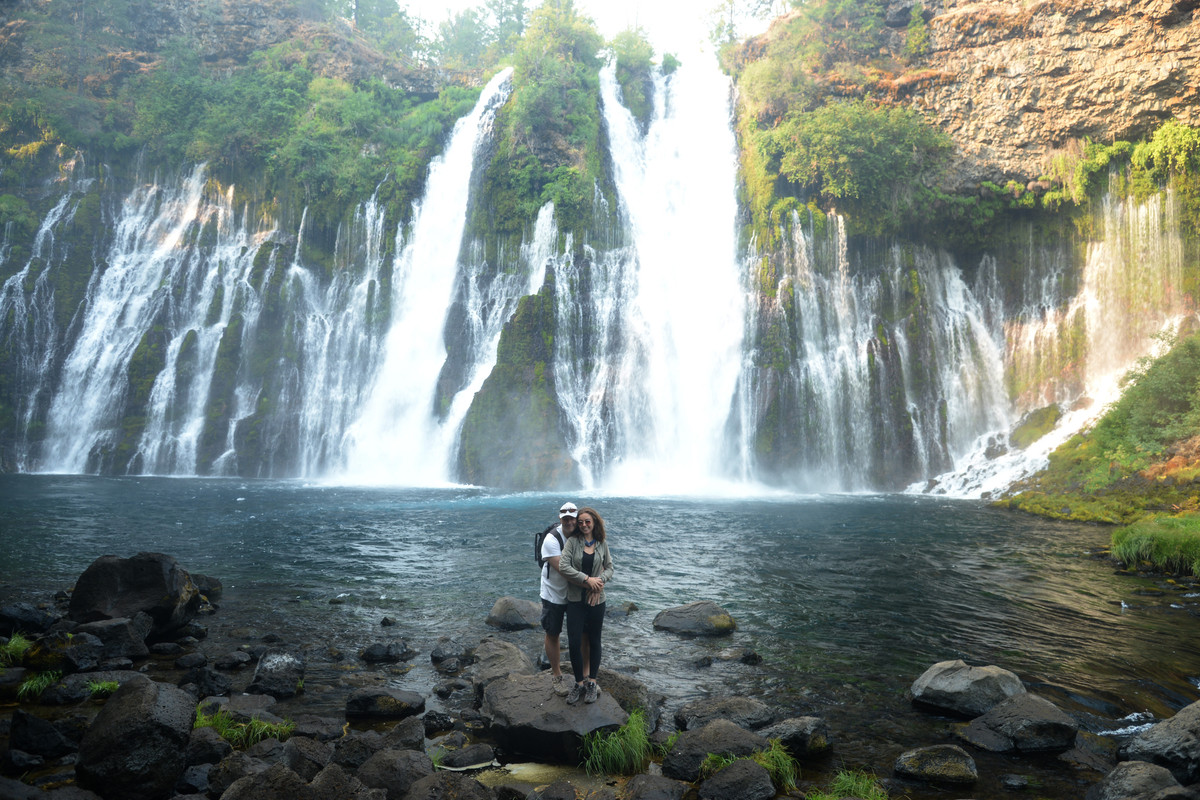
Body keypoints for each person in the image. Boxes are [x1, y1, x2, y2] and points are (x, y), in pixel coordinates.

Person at [557, 506, 613, 705]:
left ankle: (592, 683)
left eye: (587, 521)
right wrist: (587, 580)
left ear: (594, 522)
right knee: (574, 642)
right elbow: (564, 566)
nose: (583, 525)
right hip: (575, 600)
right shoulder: (573, 542)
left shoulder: (602, 543)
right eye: (580, 522)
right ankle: (578, 683)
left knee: (595, 640)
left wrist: (599, 582)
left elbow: (610, 567)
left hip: (597, 600)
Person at [540, 501, 577, 697]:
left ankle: (583, 677)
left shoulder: (583, 532)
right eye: (566, 519)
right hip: (553, 593)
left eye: (572, 518)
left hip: (575, 593)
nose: (569, 522)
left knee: (578, 635)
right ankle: (556, 675)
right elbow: (564, 570)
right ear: (560, 519)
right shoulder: (551, 540)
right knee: (552, 633)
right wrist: (591, 582)